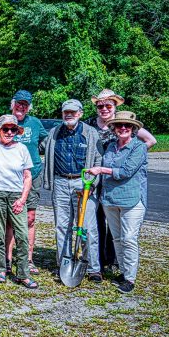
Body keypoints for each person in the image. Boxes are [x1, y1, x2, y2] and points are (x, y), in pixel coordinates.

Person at [86, 88, 156, 274]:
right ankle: (99, 259)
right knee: (99, 222)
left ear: (115, 106)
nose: (104, 109)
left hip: (119, 179)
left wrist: (133, 154)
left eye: (108, 105)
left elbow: (151, 140)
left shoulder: (126, 123)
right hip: (99, 180)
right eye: (100, 105)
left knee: (122, 231)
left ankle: (116, 262)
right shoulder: (91, 125)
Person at [43, 99, 102, 282]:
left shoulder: (91, 133)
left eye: (73, 112)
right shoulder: (54, 133)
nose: (69, 115)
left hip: (83, 183)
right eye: (66, 112)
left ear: (80, 113)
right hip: (60, 182)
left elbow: (99, 160)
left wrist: (93, 183)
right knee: (62, 226)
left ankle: (93, 268)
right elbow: (37, 148)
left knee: (87, 227)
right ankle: (64, 264)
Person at [0, 90, 48, 276]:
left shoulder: (35, 123)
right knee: (8, 222)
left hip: (31, 174)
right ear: (12, 104)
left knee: (29, 218)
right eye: (18, 103)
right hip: (8, 179)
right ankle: (6, 259)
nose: (21, 107)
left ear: (29, 106)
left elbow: (46, 142)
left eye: (25, 104)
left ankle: (27, 259)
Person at [0, 114, 35, 287]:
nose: (9, 132)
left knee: (22, 234)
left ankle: (23, 273)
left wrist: (23, 198)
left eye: (13, 129)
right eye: (6, 129)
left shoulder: (21, 149)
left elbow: (27, 176)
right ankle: (0, 269)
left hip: (16, 194)